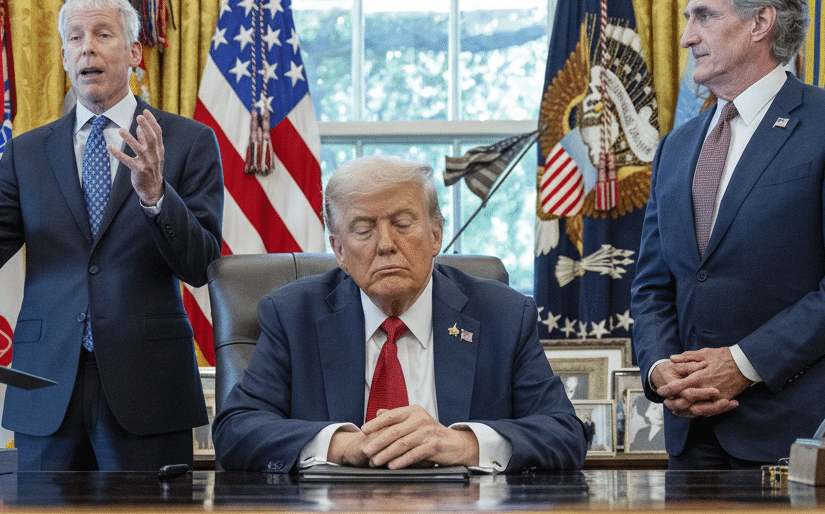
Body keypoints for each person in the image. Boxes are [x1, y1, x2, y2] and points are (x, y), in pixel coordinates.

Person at [0, 0, 224, 471]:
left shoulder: (186, 141)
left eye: (103, 34)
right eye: (75, 38)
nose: (87, 49)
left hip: (148, 383)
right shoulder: (27, 151)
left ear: (134, 52)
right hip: (46, 383)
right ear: (63, 56)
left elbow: (201, 265)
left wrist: (156, 196)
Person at [630, 0, 825, 469]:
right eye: (687, 18)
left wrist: (744, 363)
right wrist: (661, 368)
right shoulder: (676, 147)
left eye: (703, 16)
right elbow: (652, 284)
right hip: (690, 437)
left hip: (797, 437)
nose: (686, 37)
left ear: (761, 22)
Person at [213, 155, 588, 473]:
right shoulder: (292, 315)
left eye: (403, 224)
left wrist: (461, 444)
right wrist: (341, 445)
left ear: (436, 235)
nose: (387, 245)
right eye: (363, 229)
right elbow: (236, 430)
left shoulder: (503, 316)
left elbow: (564, 433)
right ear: (339, 251)